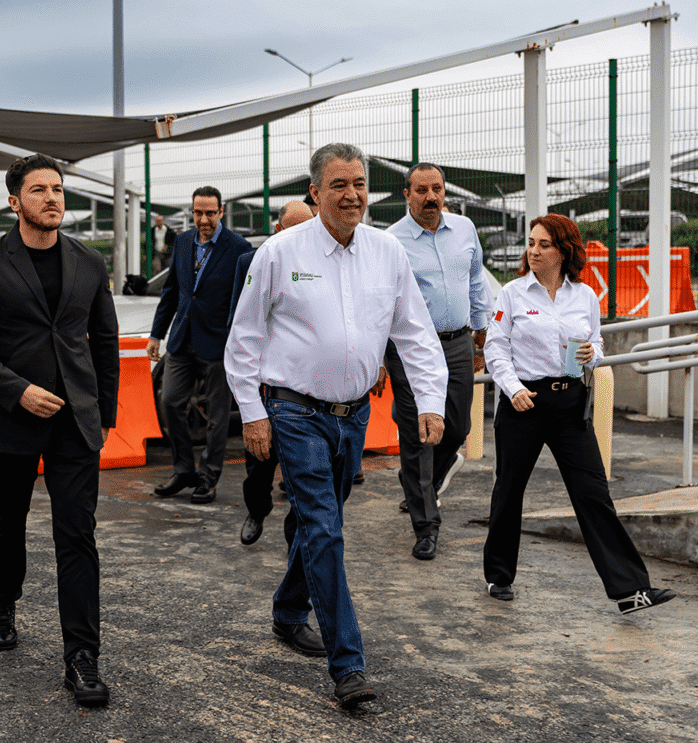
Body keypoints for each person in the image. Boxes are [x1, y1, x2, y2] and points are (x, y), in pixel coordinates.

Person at [225, 143, 448, 710]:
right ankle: (348, 665)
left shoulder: (387, 253)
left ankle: (286, 609)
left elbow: (415, 333)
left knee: (318, 523)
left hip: (354, 417)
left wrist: (430, 400)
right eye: (338, 185)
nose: (351, 195)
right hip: (294, 412)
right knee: (325, 529)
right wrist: (252, 412)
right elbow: (244, 339)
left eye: (358, 183)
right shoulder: (278, 252)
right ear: (315, 192)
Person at [0, 154, 119, 708]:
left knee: (77, 536)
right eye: (39, 190)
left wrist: (103, 415)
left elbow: (105, 342)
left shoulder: (89, 262)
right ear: (14, 200)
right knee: (6, 525)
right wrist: (16, 389)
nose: (53, 198)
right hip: (10, 419)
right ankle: (3, 602)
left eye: (59, 189)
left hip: (75, 423)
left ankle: (82, 658)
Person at [482, 214, 675, 613]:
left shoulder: (584, 296)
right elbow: (495, 349)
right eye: (531, 243)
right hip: (525, 403)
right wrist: (513, 389)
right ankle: (499, 575)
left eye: (543, 245)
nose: (533, 251)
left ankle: (630, 590)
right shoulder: (513, 294)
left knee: (593, 493)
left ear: (563, 251)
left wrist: (593, 354)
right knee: (509, 491)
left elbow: (595, 341)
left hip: (570, 402)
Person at [384, 163, 494, 560]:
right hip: (412, 348)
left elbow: (476, 279)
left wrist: (482, 332)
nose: (431, 198)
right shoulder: (391, 241)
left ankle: (418, 485)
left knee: (457, 426)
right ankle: (426, 525)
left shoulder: (464, 229)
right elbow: (382, 303)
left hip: (459, 342)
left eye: (437, 189)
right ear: (407, 195)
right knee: (417, 434)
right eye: (422, 190)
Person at [147, 186, 251, 504]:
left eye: (209, 213)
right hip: (182, 339)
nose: (203, 219)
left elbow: (245, 301)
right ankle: (184, 470)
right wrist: (156, 334)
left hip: (219, 343)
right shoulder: (181, 242)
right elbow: (172, 292)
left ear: (221, 212)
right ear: (192, 212)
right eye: (197, 212)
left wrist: (237, 340)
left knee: (218, 416)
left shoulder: (239, 248)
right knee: (171, 404)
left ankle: (208, 477)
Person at [232, 200, 310, 547]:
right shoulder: (251, 262)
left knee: (306, 470)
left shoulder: (326, 264)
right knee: (260, 462)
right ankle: (256, 510)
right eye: (291, 228)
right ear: (278, 230)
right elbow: (239, 325)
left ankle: (297, 533)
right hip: (266, 383)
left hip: (305, 388)